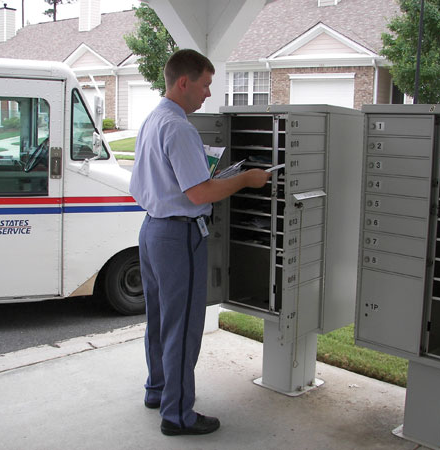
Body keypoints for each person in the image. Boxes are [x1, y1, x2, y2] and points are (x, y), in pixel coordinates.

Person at [129, 49, 271, 436]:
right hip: (179, 236)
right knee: (183, 327)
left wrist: (214, 178)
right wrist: (245, 180)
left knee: (159, 320)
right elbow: (199, 194)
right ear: (183, 82)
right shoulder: (178, 128)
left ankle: (157, 390)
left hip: (153, 230)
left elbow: (179, 183)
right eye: (206, 84)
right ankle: (177, 415)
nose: (209, 93)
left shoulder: (153, 119)